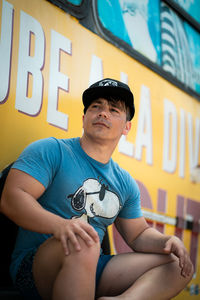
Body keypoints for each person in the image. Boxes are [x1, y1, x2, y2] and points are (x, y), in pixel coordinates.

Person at [0, 78, 193, 300]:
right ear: (84, 118)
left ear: (126, 127)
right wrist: (61, 225)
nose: (103, 113)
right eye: (96, 107)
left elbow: (138, 234)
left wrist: (166, 241)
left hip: (91, 266)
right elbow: (11, 199)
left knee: (178, 264)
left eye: (113, 110)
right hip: (35, 269)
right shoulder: (52, 150)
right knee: (84, 239)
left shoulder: (125, 182)